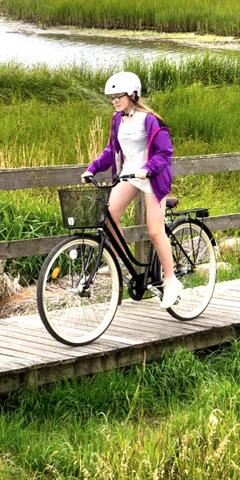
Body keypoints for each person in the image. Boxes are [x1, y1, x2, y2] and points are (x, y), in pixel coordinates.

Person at [82, 70, 182, 309]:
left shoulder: (150, 119)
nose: (115, 101)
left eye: (119, 96)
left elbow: (165, 153)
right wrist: (92, 168)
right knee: (108, 214)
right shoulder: (117, 119)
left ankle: (171, 281)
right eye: (112, 97)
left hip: (152, 177)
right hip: (130, 175)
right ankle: (119, 261)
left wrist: (148, 168)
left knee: (155, 231)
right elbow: (111, 150)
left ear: (133, 95)